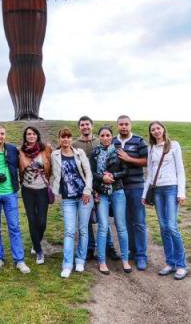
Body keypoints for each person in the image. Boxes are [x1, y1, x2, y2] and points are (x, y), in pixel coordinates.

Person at [0, 124, 31, 274]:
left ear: (5, 135)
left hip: (10, 193)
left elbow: (21, 163)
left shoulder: (12, 149)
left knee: (14, 227)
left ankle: (19, 260)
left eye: (2, 134)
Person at [143, 121, 188, 280]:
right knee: (163, 227)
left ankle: (181, 265)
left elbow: (180, 170)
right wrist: (144, 195)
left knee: (172, 226)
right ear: (150, 133)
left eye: (158, 128)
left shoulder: (174, 145)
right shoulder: (151, 149)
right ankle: (170, 263)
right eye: (153, 129)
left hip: (171, 189)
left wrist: (181, 192)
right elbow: (150, 173)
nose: (156, 131)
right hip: (157, 190)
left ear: (163, 129)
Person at [50, 127, 93, 278]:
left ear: (71, 139)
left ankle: (80, 260)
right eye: (63, 137)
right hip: (68, 198)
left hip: (84, 197)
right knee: (69, 231)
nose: (66, 139)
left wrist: (87, 191)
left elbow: (88, 173)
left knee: (83, 230)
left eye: (68, 137)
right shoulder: (54, 155)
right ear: (59, 139)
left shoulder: (79, 153)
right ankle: (67, 264)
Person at [73, 116, 116, 261]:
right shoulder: (75, 144)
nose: (85, 127)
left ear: (91, 126)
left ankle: (109, 247)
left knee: (103, 217)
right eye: (82, 125)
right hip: (83, 186)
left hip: (100, 184)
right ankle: (89, 248)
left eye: (87, 124)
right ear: (79, 127)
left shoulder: (100, 140)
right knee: (86, 219)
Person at [90, 126, 131, 274]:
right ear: (99, 137)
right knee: (103, 226)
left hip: (117, 190)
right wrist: (102, 178)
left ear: (112, 136)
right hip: (101, 192)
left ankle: (125, 260)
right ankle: (102, 262)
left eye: (108, 135)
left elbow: (125, 171)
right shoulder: (94, 153)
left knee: (121, 226)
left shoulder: (119, 151)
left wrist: (113, 176)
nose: (105, 138)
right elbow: (92, 173)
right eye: (102, 135)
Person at [114, 115, 149, 270]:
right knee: (125, 222)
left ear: (130, 125)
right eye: (121, 124)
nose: (124, 127)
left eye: (126, 124)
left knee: (139, 222)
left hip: (136, 186)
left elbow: (146, 161)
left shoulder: (139, 141)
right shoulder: (113, 142)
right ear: (117, 126)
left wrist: (128, 158)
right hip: (119, 188)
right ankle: (131, 252)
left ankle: (141, 255)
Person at [18, 126, 52, 264]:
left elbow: (54, 163)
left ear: (37, 136)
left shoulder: (46, 149)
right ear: (25, 136)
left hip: (42, 189)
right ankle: (38, 251)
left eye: (33, 134)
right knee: (32, 220)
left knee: (42, 221)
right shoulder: (21, 152)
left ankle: (36, 240)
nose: (31, 136)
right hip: (27, 190)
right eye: (28, 134)